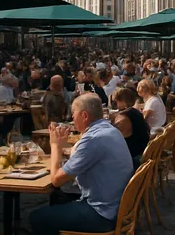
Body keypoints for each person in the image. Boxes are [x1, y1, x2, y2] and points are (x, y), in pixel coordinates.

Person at [29, 94, 133, 234]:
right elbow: (87, 154)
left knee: (37, 217)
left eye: (73, 113)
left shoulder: (92, 139)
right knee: (58, 197)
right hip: (118, 207)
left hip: (102, 214)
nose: (72, 117)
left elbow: (56, 180)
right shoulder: (110, 130)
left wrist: (55, 146)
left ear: (84, 115)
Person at [111, 87, 150, 168]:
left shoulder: (123, 118)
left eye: (117, 102)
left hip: (133, 156)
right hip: (142, 149)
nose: (116, 105)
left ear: (123, 101)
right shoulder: (136, 112)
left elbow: (115, 137)